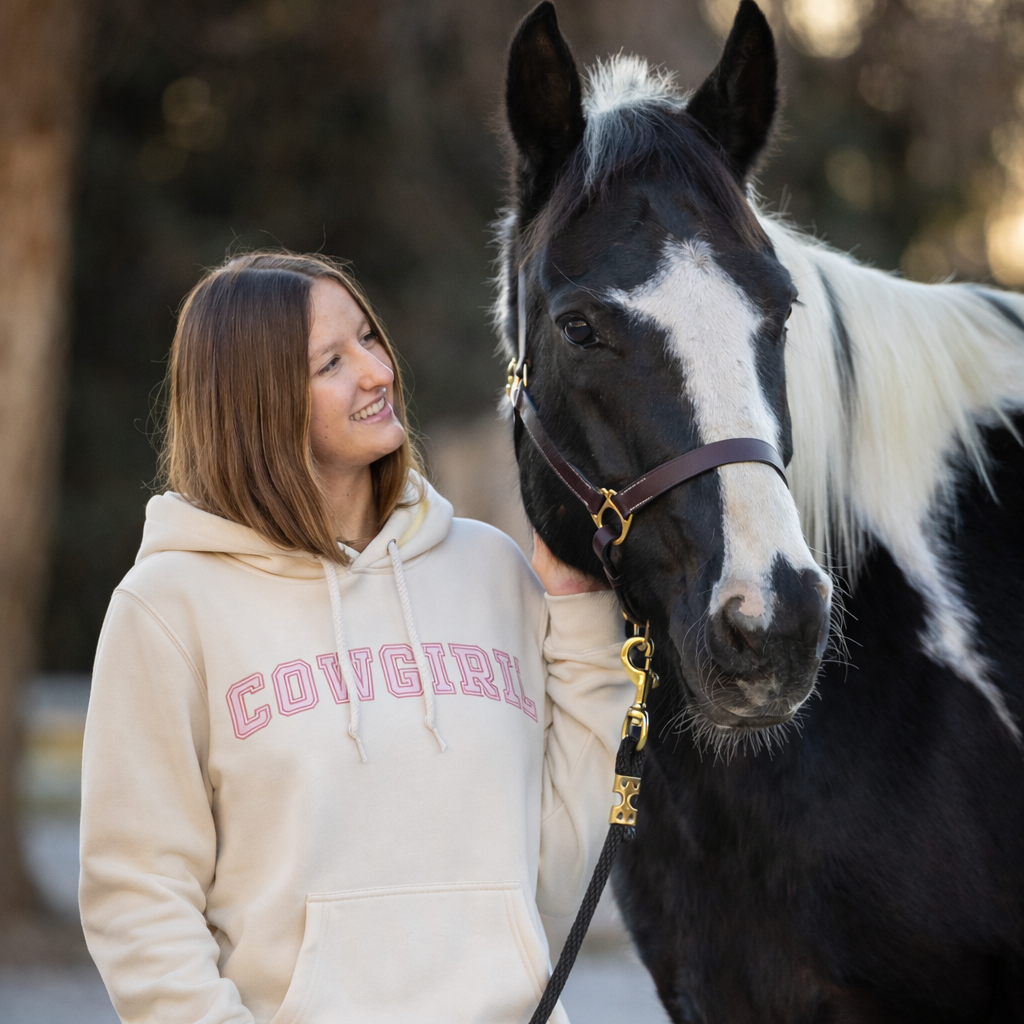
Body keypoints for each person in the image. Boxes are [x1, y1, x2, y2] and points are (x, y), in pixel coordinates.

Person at [79, 251, 633, 1024]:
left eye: (370, 340)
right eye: (331, 362)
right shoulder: (169, 607)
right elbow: (138, 899)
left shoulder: (490, 571)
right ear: (254, 401)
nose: (377, 372)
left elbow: (562, 865)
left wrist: (577, 615)